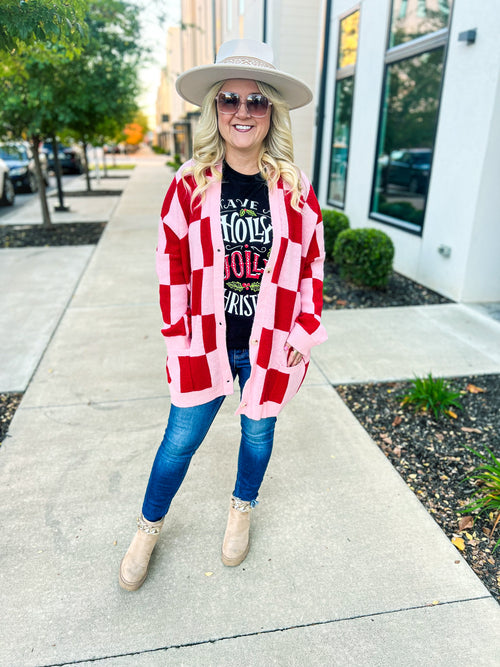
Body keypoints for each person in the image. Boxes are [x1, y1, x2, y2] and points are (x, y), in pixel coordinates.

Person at [119, 39, 327, 591]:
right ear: (215, 109)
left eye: (256, 101)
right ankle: (147, 527)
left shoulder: (293, 187)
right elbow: (171, 266)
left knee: (258, 436)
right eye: (230, 99)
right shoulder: (190, 183)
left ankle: (242, 508)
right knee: (179, 443)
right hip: (203, 343)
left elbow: (312, 263)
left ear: (271, 113)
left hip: (269, 343)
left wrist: (303, 332)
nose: (242, 111)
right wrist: (177, 336)